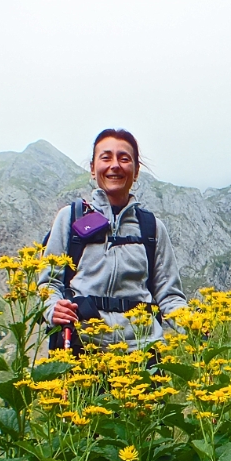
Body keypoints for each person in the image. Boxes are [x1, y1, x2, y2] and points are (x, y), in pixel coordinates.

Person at [38, 129, 186, 352]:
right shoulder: (69, 218)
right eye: (105, 157)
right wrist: (52, 309)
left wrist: (195, 326)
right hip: (83, 347)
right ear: (92, 168)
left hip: (142, 351)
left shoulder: (152, 228)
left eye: (124, 159)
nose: (114, 165)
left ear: (136, 172)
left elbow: (169, 296)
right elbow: (49, 285)